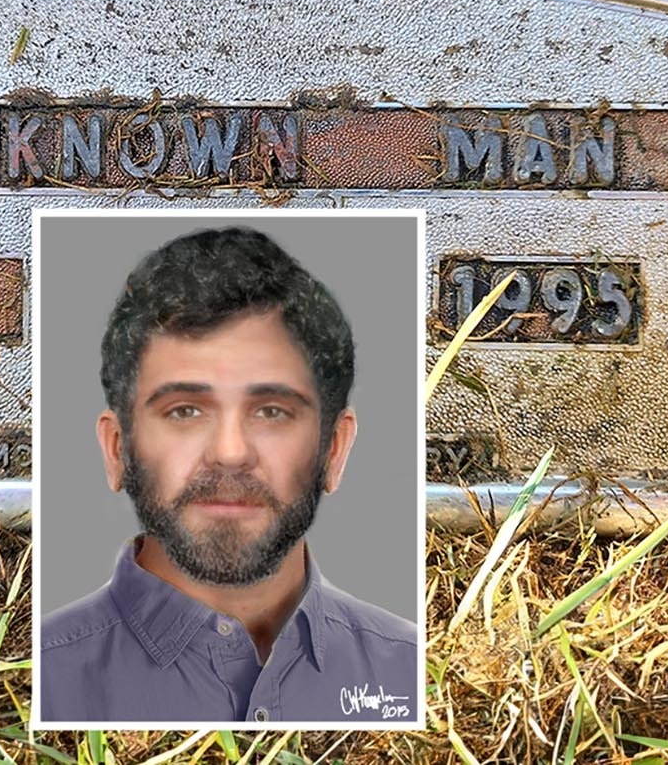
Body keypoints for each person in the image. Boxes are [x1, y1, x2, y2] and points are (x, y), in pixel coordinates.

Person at [40, 226, 417, 724]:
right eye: (184, 411)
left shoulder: (415, 675)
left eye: (272, 412)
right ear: (117, 449)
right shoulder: (35, 681)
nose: (230, 453)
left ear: (335, 448)